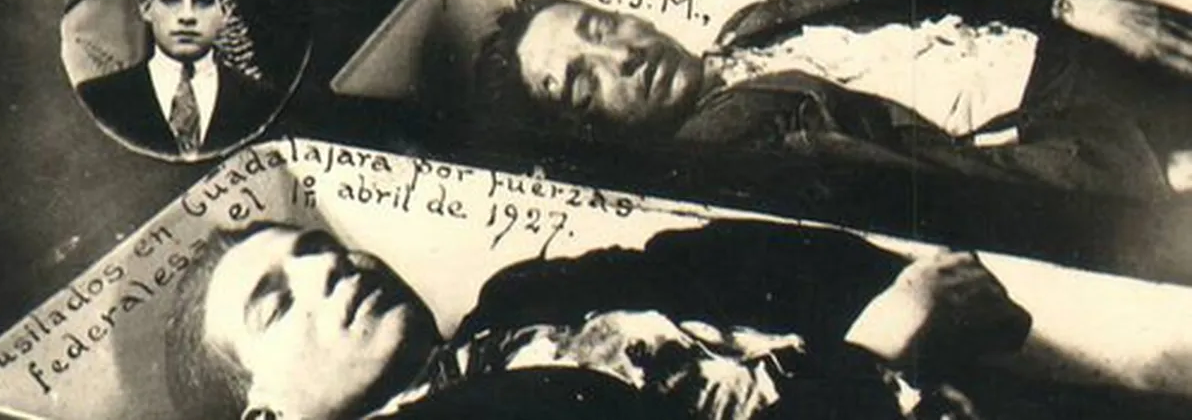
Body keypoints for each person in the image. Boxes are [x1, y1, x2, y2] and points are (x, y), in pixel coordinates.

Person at [474, 0, 1192, 200]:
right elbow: (947, 183)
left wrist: (1079, 2)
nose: (622, 57)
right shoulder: (734, 151)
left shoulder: (762, 16)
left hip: (1099, 37)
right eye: (584, 84)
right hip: (1108, 132)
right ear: (591, 133)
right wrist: (1150, 170)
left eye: (600, 29)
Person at [165, 220, 1031, 419]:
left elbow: (721, 256)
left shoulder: (517, 300)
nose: (326, 268)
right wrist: (883, 346)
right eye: (277, 301)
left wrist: (906, 290)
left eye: (318, 247)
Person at [76, 0, 281, 160]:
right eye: (171, 0)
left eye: (202, 1)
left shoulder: (263, 103)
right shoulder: (99, 99)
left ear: (225, 11)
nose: (187, 16)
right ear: (146, 8)